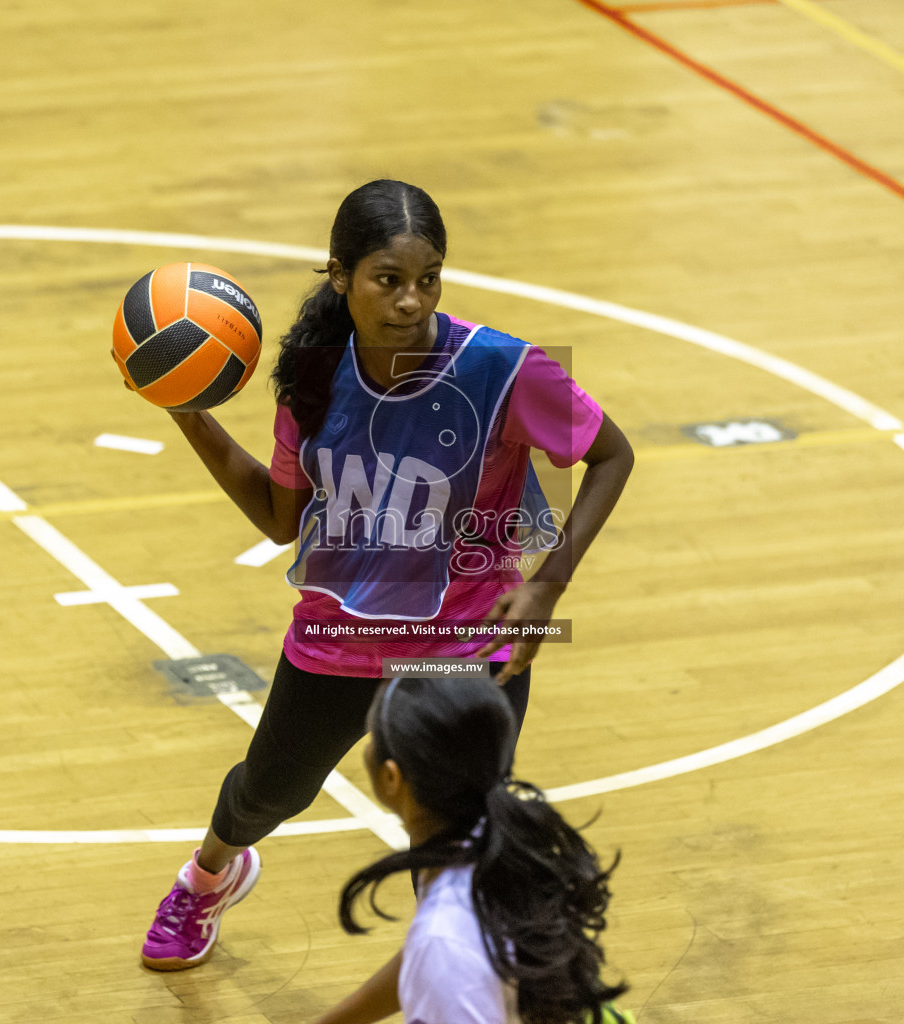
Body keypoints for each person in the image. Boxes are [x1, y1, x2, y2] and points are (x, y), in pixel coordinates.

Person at [137, 179, 634, 970]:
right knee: (267, 792)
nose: (411, 300)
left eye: (427, 278)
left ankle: (471, 985)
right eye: (388, 279)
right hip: (338, 636)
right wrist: (188, 414)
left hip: (464, 648)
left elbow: (612, 455)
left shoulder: (504, 370)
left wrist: (546, 584)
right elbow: (281, 518)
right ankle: (206, 877)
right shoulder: (312, 373)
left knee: (453, 848)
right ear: (340, 275)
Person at [315, 676, 633, 1024]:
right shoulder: (499, 843)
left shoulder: (445, 941)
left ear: (392, 778)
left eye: (374, 734)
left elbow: (445, 955)